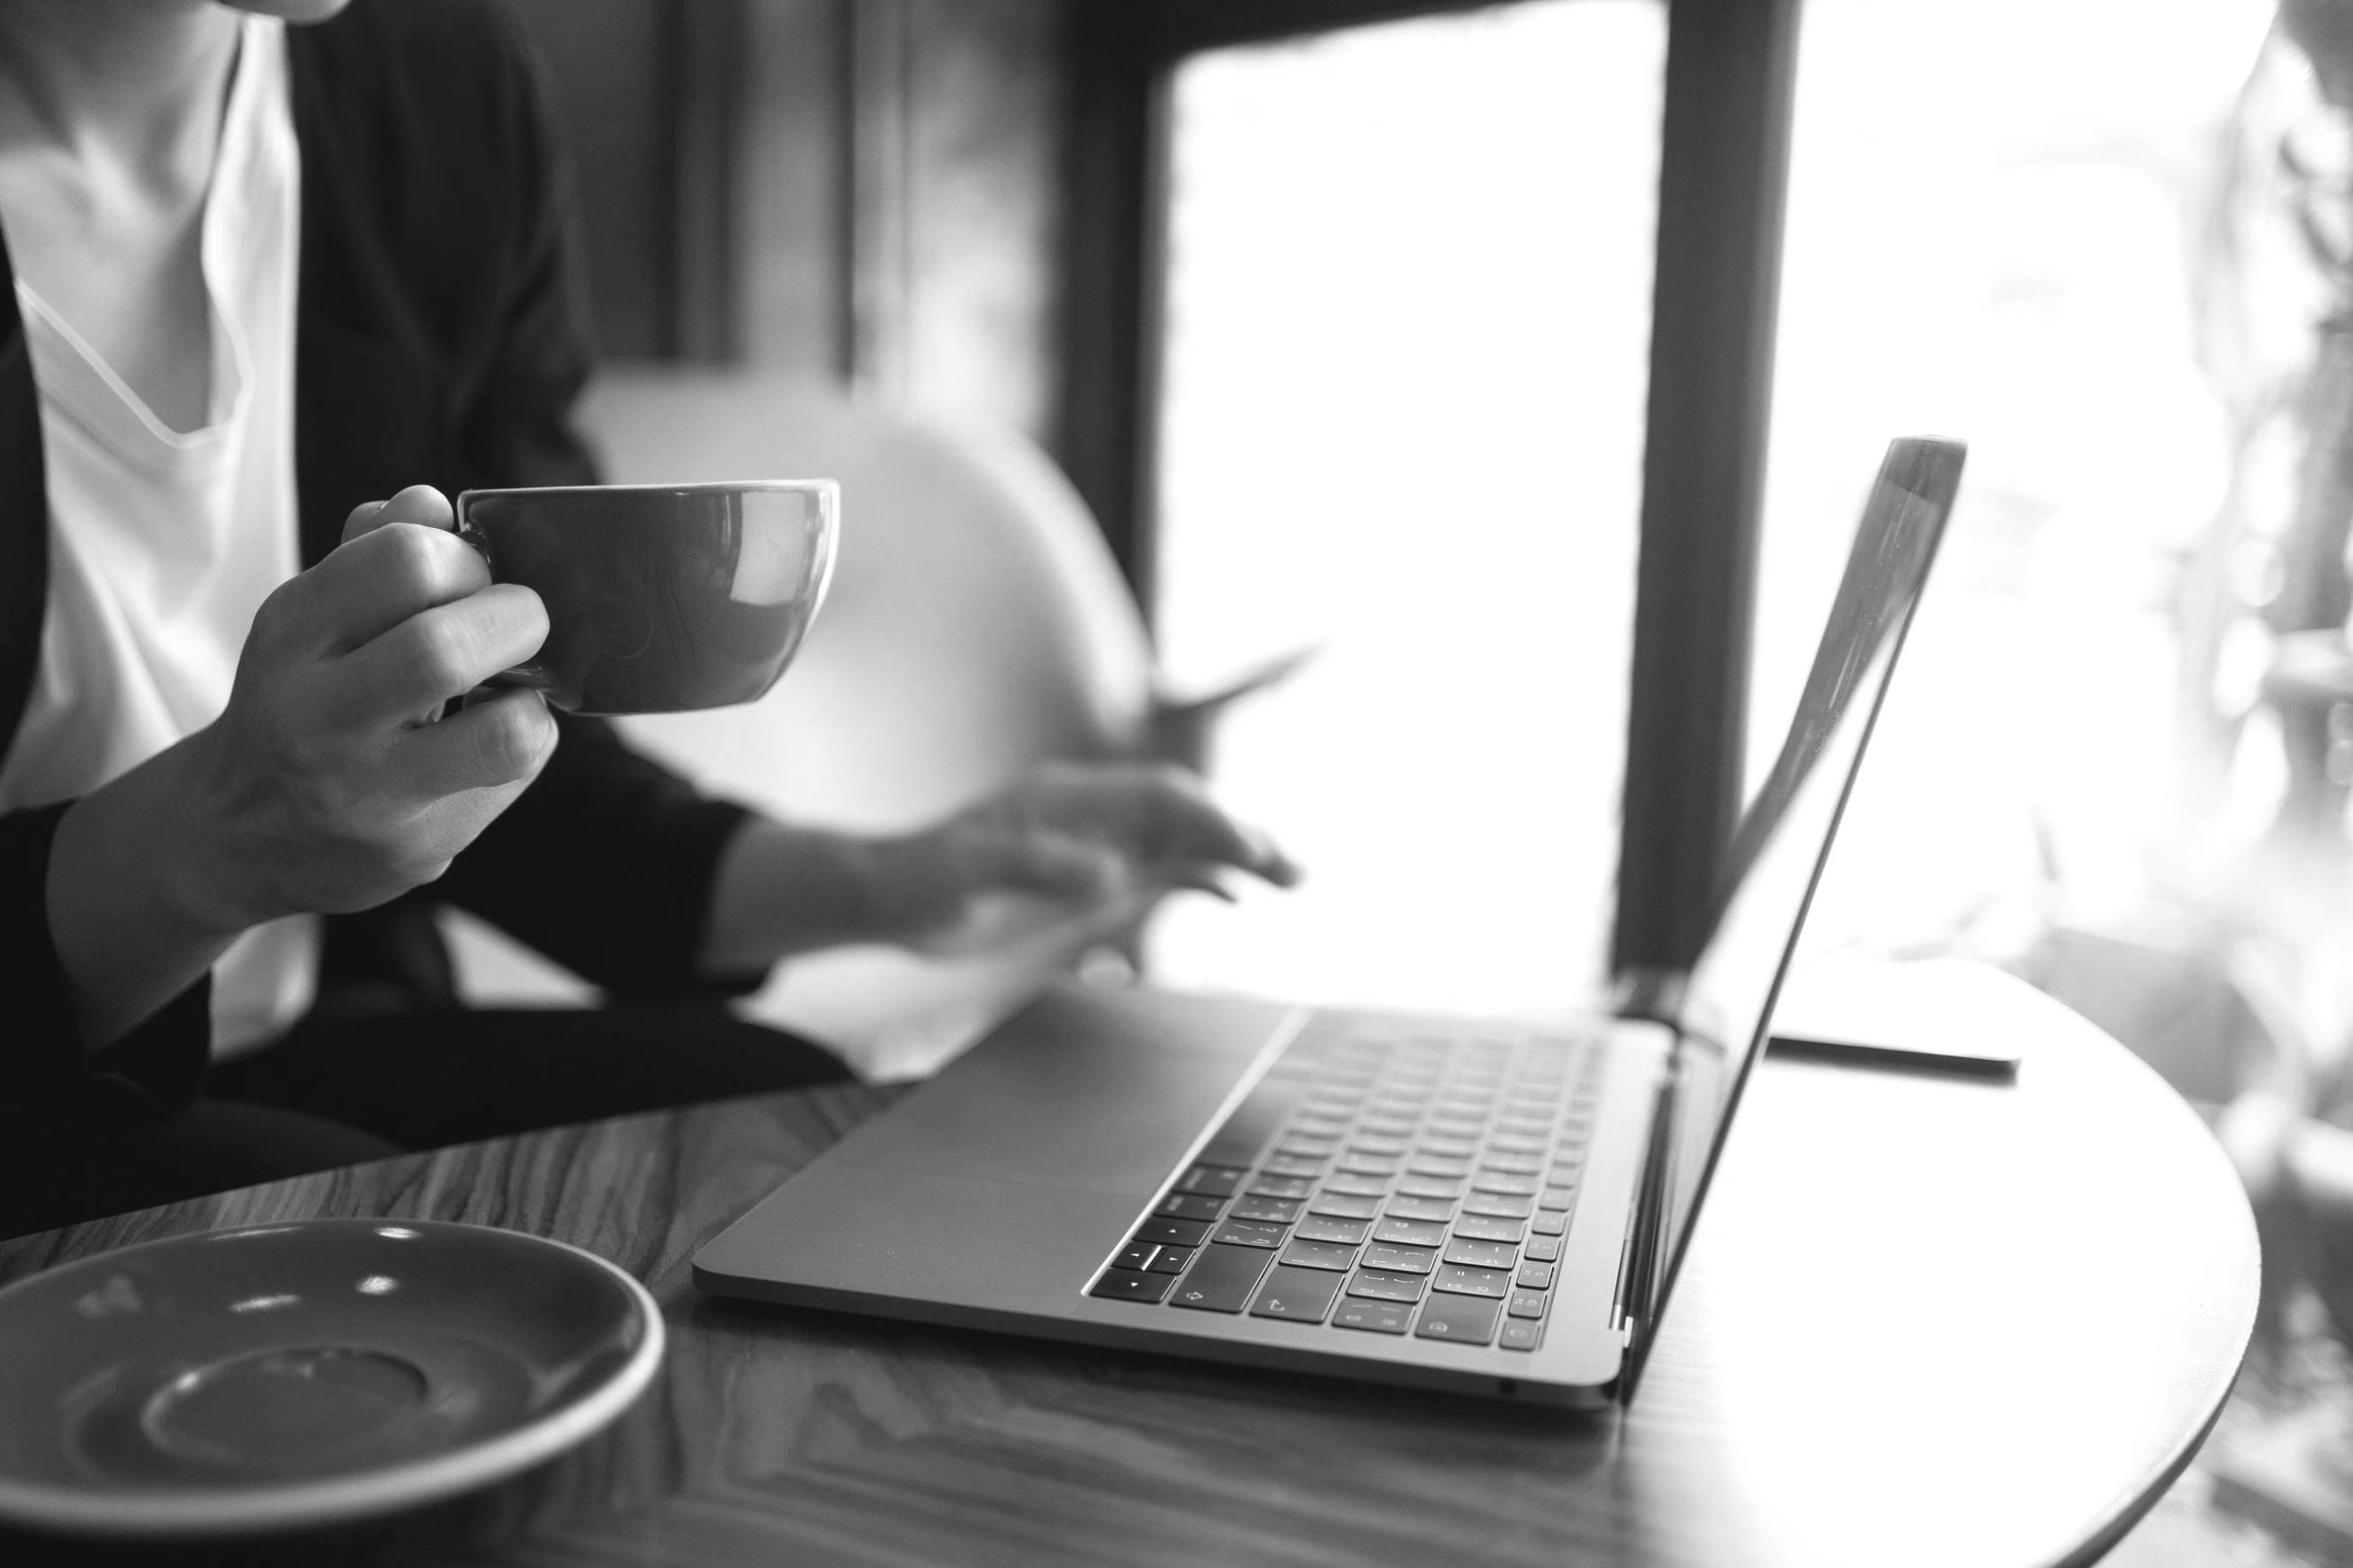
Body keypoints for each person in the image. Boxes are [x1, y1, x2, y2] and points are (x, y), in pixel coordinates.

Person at [0, 0, 1295, 1237]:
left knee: (780, 1122)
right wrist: (211, 843)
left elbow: (499, 731)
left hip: (331, 1034)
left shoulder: (444, 94)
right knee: (344, 1225)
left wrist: (903, 881)